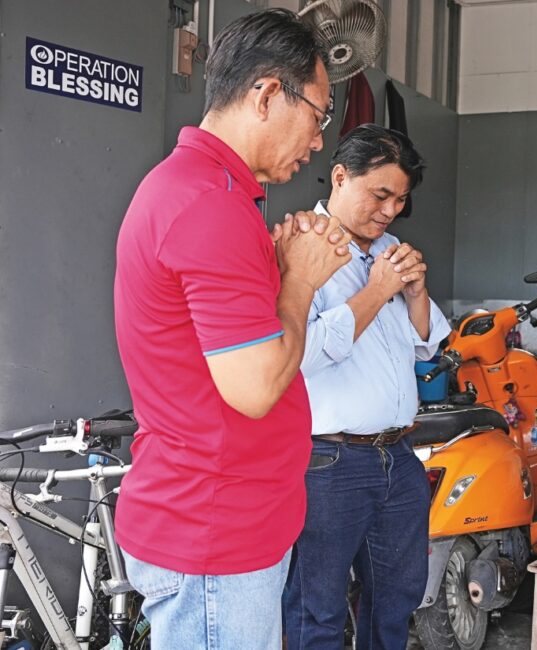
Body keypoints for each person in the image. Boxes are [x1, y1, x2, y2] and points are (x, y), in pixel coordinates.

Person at [113, 10, 352, 649]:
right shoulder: (209, 205)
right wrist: (300, 280)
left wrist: (278, 268)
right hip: (213, 537)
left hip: (223, 525)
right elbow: (254, 387)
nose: (318, 142)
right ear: (268, 94)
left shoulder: (207, 192)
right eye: (318, 116)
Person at [283, 124, 450, 650]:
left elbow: (425, 347)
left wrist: (416, 293)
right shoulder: (300, 246)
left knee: (397, 602)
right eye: (380, 195)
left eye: (400, 201)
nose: (390, 211)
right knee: (318, 611)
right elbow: (299, 353)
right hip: (330, 462)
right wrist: (377, 291)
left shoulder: (390, 248)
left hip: (397, 455)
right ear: (340, 177)